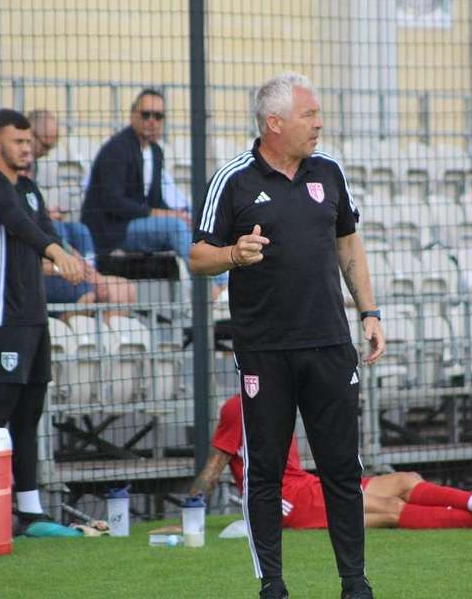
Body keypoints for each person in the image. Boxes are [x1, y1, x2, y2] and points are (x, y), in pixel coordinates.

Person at [190, 72, 384, 599]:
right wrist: (233, 254)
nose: (319, 123)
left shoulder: (329, 172)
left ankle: (355, 584)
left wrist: (369, 311)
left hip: (328, 344)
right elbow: (198, 255)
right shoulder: (233, 179)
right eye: (309, 115)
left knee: (343, 468)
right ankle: (272, 586)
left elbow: (349, 246)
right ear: (275, 123)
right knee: (267, 471)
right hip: (264, 350)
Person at [0, 108, 83, 537]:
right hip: (3, 317)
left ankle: (30, 511)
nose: (25, 148)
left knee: (31, 411)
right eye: (17, 141)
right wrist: (57, 254)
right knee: (0, 409)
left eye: (27, 141)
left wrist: (68, 260)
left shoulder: (31, 188)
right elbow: (22, 229)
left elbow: (45, 232)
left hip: (35, 316)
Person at [191, 395, 472, 531]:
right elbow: (216, 463)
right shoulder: (238, 406)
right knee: (388, 507)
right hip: (285, 500)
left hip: (304, 485)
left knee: (405, 479)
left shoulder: (279, 392)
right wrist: (189, 515)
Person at [0, 109, 136, 309]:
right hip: (0, 253)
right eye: (22, 142)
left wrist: (79, 265)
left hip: (28, 243)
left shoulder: (27, 171)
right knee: (89, 292)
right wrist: (60, 264)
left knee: (78, 231)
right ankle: (85, 283)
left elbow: (30, 215)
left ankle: (89, 274)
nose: (40, 152)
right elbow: (13, 220)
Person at [81, 88, 226, 295]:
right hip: (114, 229)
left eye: (158, 116)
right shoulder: (117, 148)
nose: (152, 121)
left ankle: (224, 282)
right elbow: (112, 201)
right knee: (174, 226)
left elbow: (156, 200)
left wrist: (180, 214)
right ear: (133, 116)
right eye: (146, 115)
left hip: (139, 224)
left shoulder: (156, 152)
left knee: (195, 219)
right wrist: (159, 213)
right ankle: (213, 285)